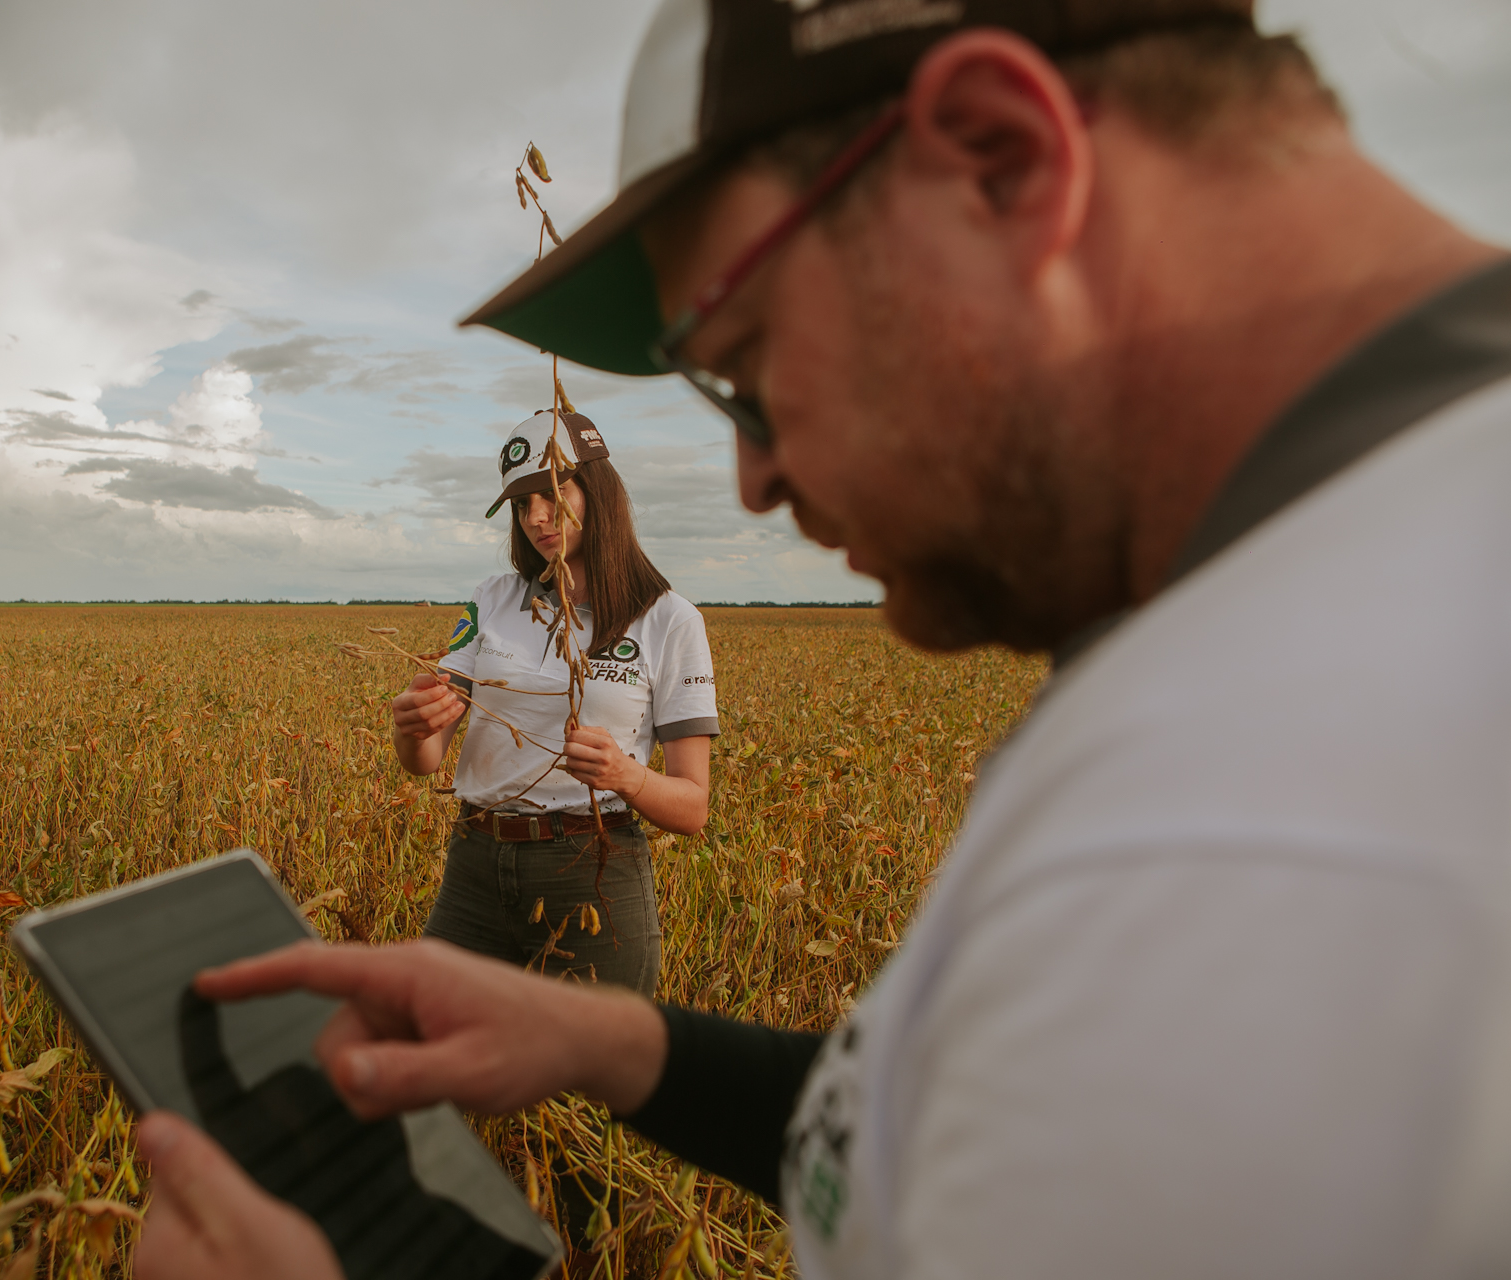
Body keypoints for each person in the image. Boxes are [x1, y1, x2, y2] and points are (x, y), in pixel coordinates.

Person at [136, 0, 1511, 1276]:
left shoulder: (1276, 826)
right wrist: (625, 1047)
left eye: (749, 357)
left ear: (1001, 161)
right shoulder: (1304, 598)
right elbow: (958, 1146)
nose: (755, 480)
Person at [388, 409, 718, 996]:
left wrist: (626, 775)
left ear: (598, 492)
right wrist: (412, 728)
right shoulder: (492, 598)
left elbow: (692, 808)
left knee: (591, 1078)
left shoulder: (671, 620)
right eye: (520, 505)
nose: (536, 517)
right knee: (437, 1046)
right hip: (476, 863)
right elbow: (427, 758)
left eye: (551, 493)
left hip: (593, 869)